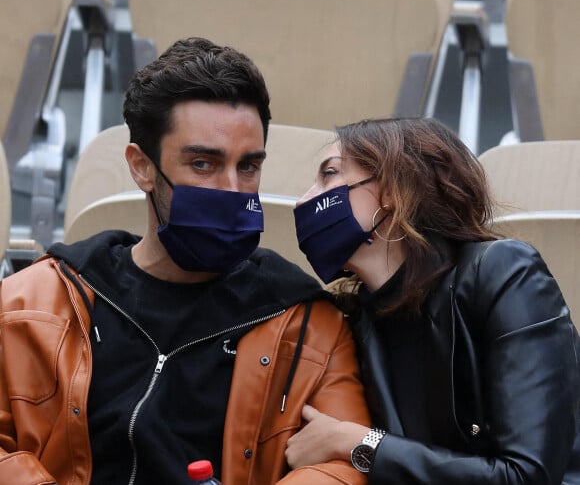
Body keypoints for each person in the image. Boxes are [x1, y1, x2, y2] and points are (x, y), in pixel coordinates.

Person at [0, 37, 370, 485]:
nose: (233, 189)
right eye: (202, 164)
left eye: (248, 166)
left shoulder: (308, 324)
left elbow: (338, 469)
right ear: (142, 167)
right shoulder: (35, 301)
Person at [288, 116, 580, 483]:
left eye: (329, 175)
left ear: (394, 192)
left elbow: (526, 475)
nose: (304, 200)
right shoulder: (352, 318)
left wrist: (359, 443)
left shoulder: (503, 272)